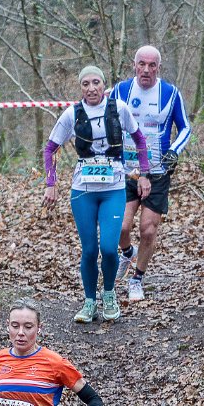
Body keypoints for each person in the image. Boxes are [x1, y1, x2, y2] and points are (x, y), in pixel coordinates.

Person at [43, 64, 151, 323]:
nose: (91, 88)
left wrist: (144, 173)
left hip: (113, 188)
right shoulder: (72, 114)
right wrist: (51, 182)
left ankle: (109, 294)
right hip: (83, 191)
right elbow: (50, 148)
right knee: (90, 250)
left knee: (109, 249)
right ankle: (89, 301)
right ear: (80, 87)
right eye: (85, 84)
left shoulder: (119, 108)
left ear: (104, 85)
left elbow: (140, 139)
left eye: (96, 83)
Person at [110, 45, 191, 301]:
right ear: (134, 65)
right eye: (142, 64)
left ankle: (137, 279)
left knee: (147, 230)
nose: (146, 70)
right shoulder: (120, 90)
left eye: (152, 65)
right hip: (127, 171)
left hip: (157, 171)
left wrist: (174, 151)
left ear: (158, 67)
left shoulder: (170, 93)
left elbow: (185, 128)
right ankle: (127, 253)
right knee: (121, 226)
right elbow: (107, 121)